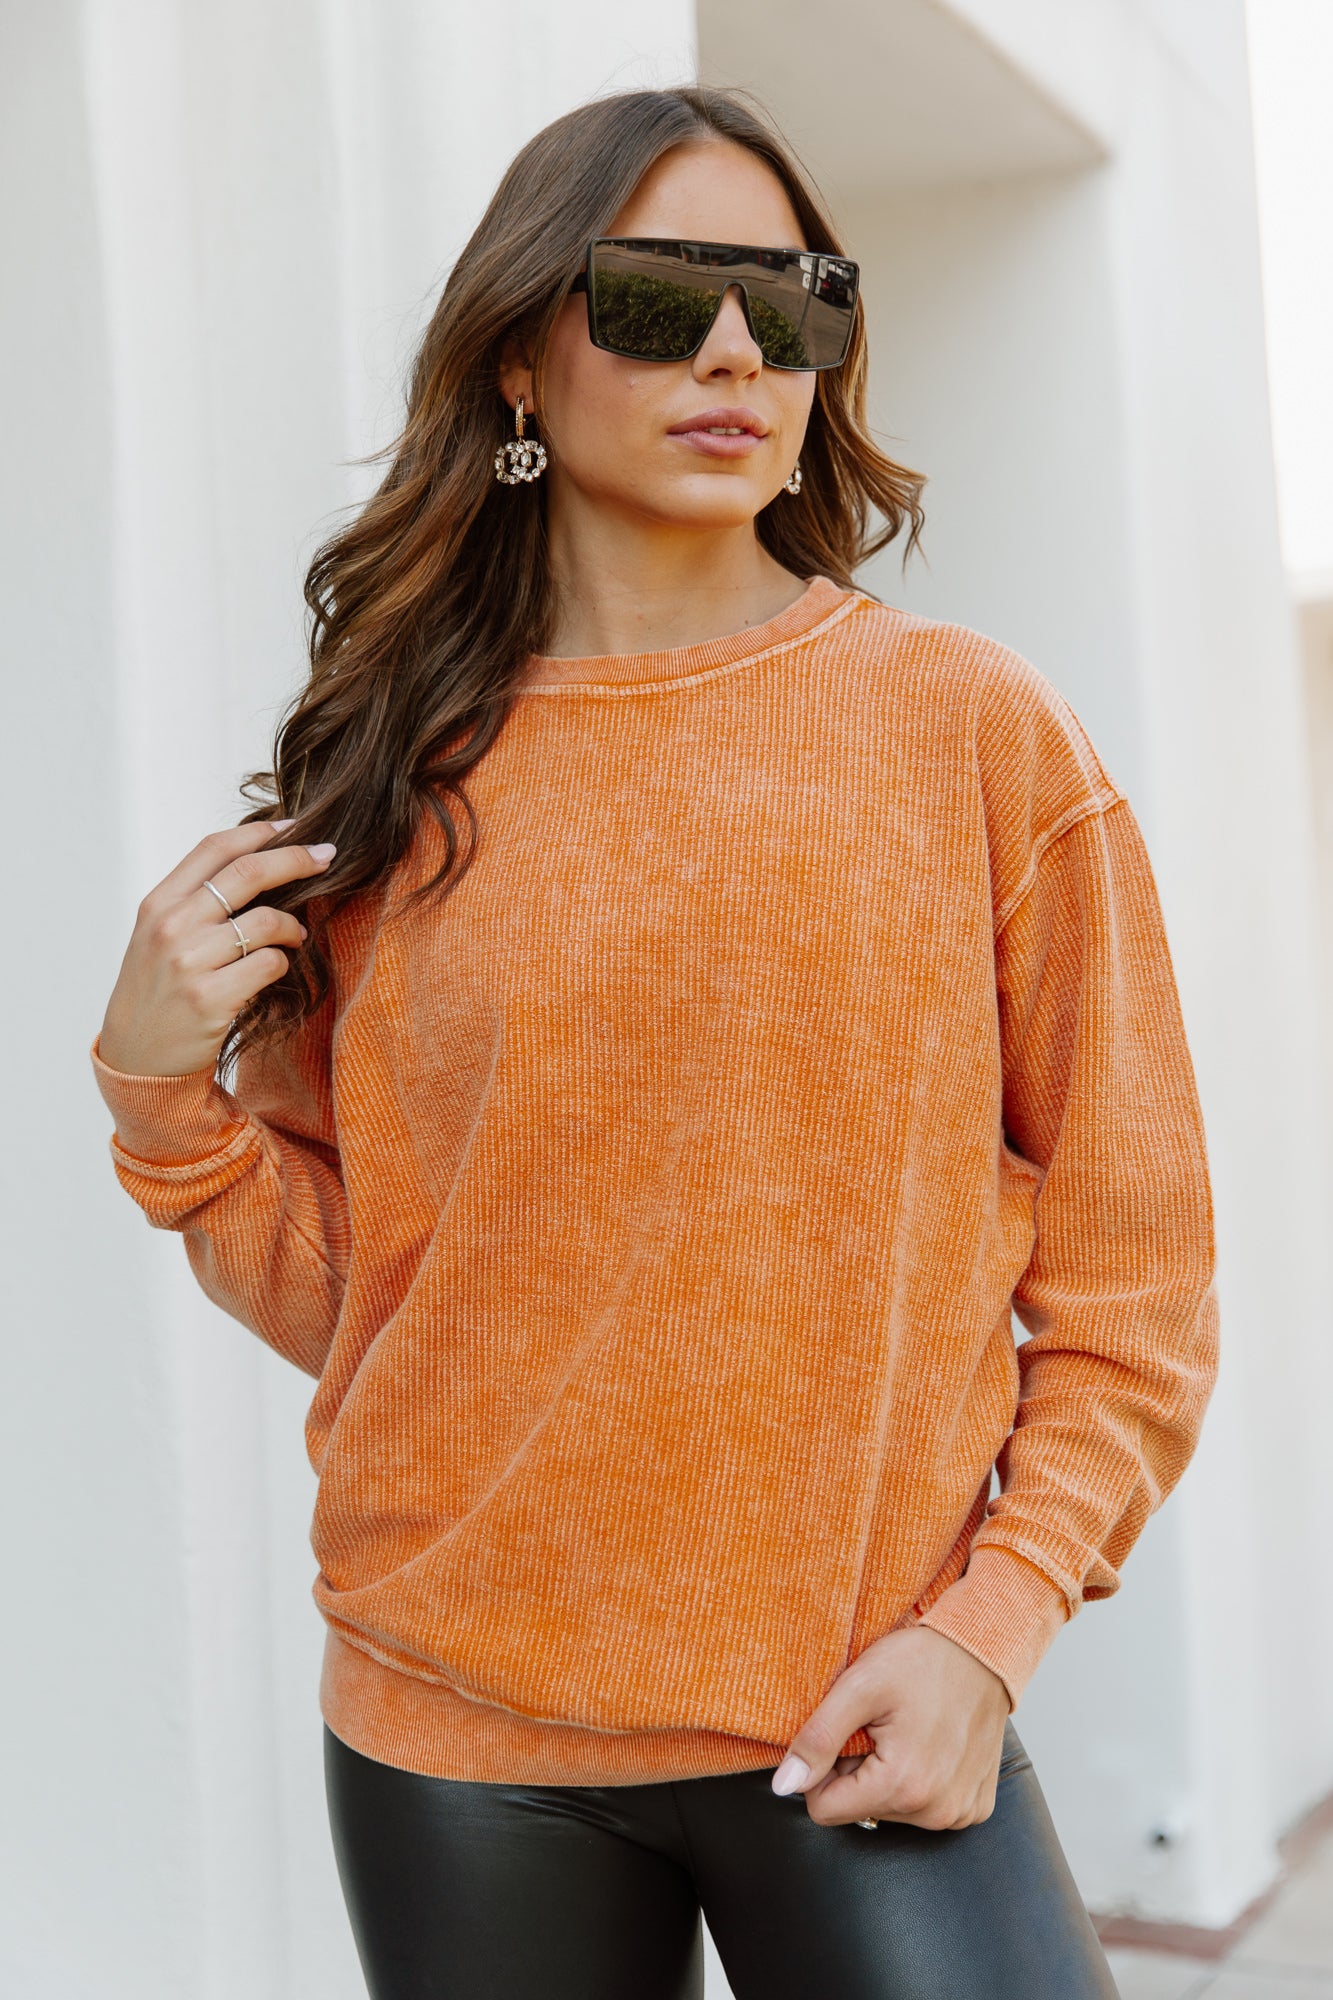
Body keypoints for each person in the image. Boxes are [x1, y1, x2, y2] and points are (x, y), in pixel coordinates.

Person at [91, 85, 1218, 2000]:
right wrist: (161, 1104)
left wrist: (995, 1622)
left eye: (788, 301)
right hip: (457, 1731)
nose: (732, 350)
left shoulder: (968, 731)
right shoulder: (392, 783)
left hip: (867, 1701)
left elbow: (1137, 1275)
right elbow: (397, 1307)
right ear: (518, 356)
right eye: (656, 293)